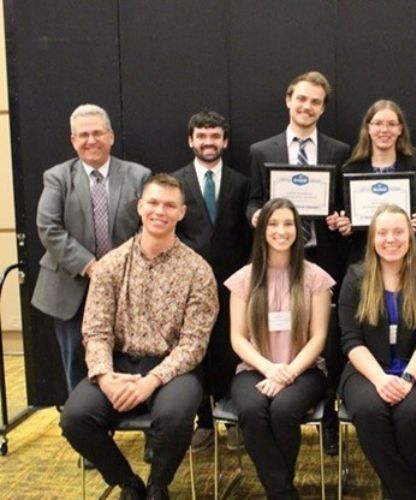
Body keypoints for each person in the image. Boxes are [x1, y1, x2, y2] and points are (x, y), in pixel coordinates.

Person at [60, 173, 219, 500]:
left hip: (173, 370)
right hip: (117, 366)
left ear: (181, 213)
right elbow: (96, 331)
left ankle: (158, 485)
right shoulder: (111, 265)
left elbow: (194, 343)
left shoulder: (198, 270)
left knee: (175, 418)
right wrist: (104, 378)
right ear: (140, 207)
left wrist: (152, 381)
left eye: (169, 205)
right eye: (154, 203)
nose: (160, 211)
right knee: (74, 418)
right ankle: (128, 483)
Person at [248, 70, 350, 453]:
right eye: (302, 99)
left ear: (323, 108)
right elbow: (254, 199)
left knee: (328, 337)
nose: (307, 107)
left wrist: (342, 218)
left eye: (316, 102)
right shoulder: (262, 150)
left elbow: (342, 203)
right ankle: (279, 393)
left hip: (324, 257)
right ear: (288, 100)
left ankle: (328, 419)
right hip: (277, 258)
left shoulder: (338, 152)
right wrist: (255, 217)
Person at [32, 103, 151, 394]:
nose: (91, 140)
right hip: (72, 287)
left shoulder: (139, 176)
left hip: (126, 284)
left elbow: (148, 226)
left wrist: (116, 267)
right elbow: (49, 227)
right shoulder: (57, 177)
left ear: (110, 136)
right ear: (73, 141)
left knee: (127, 360)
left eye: (97, 133)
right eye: (83, 135)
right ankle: (87, 428)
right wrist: (91, 266)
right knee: (76, 362)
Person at [226, 198, 334, 499]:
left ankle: (278, 490)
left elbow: (319, 338)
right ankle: (282, 491)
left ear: (298, 231)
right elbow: (237, 338)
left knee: (284, 410)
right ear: (262, 230)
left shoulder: (315, 278)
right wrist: (270, 368)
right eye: (273, 224)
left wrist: (287, 372)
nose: (281, 231)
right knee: (251, 409)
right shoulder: (244, 279)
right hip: (255, 368)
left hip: (306, 369)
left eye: (288, 224)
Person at [338, 203, 416, 500]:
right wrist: (381, 380)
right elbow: (351, 340)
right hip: (367, 370)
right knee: (369, 411)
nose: (391, 239)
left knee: (415, 412)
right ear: (372, 238)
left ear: (410, 237)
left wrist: (408, 378)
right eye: (382, 232)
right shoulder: (355, 278)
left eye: (399, 231)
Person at [172, 110, 253, 452]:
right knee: (195, 354)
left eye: (215, 136)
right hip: (189, 288)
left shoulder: (242, 183)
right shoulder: (175, 183)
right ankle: (204, 422)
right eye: (202, 136)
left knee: (230, 351)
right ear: (191, 140)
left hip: (233, 283)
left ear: (225, 141)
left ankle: (232, 419)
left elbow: (249, 236)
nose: (209, 142)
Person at [336, 99, 416, 267]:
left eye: (392, 124)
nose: (384, 130)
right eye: (378, 123)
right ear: (368, 128)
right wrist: (346, 227)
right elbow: (344, 222)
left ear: (400, 129)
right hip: (363, 260)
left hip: (406, 260)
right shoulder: (350, 170)